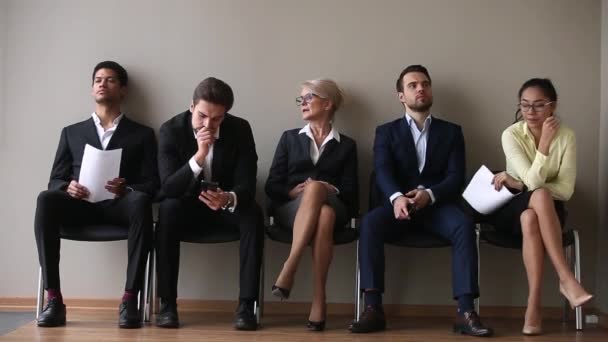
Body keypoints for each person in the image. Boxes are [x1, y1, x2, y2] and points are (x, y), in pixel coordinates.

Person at [349, 65, 493, 336]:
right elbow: (382, 170)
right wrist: (396, 198)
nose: (420, 89)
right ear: (401, 95)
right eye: (413, 85)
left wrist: (430, 194)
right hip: (398, 209)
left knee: (464, 223)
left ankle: (465, 311)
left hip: (437, 209)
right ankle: (372, 309)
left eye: (425, 84)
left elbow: (455, 177)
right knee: (369, 223)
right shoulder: (386, 132)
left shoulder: (451, 132)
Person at [34, 61, 158, 329]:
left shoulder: (143, 134)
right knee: (46, 198)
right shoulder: (72, 132)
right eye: (98, 79)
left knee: (140, 201)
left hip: (120, 206)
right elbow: (55, 178)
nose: (103, 83)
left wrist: (128, 188)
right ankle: (53, 299)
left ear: (123, 90)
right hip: (80, 206)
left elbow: (152, 184)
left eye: (110, 79)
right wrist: (67, 186)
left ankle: (130, 299)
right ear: (92, 89)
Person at [155, 77, 264, 331]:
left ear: (226, 115)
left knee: (253, 214)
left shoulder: (240, 129)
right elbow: (169, 188)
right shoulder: (171, 129)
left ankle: (247, 305)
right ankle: (168, 305)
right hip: (186, 205)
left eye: (216, 119)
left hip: (224, 204)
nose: (208, 124)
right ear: (192, 106)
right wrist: (199, 155)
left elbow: (247, 182)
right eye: (203, 115)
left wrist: (229, 198)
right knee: (167, 209)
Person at [490, 78, 593, 335]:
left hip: (547, 213)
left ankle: (533, 305)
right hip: (511, 208)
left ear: (552, 107)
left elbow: (566, 190)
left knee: (532, 214)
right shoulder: (511, 134)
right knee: (539, 197)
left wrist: (522, 183)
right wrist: (544, 143)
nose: (530, 112)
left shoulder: (567, 136)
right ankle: (566, 278)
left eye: (538, 105)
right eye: (525, 105)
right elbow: (535, 183)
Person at [265, 79, 358, 331]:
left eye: (309, 97)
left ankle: (289, 267)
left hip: (335, 205)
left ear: (327, 103)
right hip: (291, 209)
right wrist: (292, 191)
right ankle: (319, 299)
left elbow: (351, 194)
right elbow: (271, 186)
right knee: (323, 214)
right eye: (301, 99)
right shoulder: (289, 139)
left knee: (320, 193)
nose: (303, 103)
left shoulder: (347, 145)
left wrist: (329, 189)